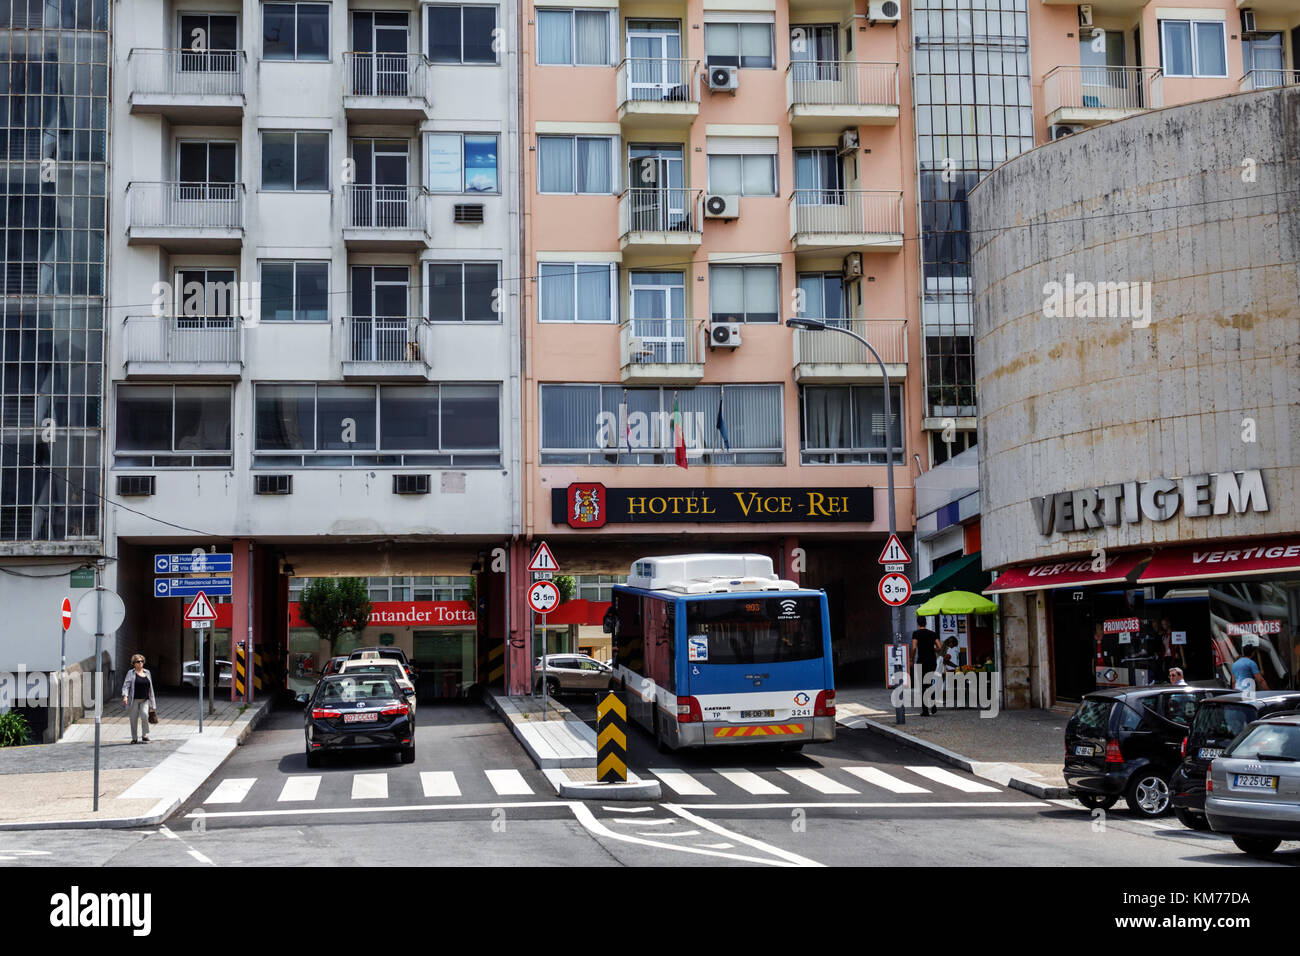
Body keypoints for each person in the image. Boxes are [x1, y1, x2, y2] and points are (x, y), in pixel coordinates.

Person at [121, 654, 157, 743]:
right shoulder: (131, 673)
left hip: (145, 699)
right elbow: (126, 685)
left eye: (142, 661)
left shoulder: (147, 672)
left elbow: (150, 687)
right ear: (134, 663)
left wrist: (152, 700)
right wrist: (125, 696)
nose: (140, 663)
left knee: (145, 715)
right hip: (134, 700)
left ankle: (144, 735)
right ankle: (134, 738)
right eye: (138, 661)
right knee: (133, 719)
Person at [911, 627, 941, 716]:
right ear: (925, 623)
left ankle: (925, 711)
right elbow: (939, 647)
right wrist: (932, 649)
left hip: (922, 661)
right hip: (932, 661)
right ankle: (933, 705)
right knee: (930, 683)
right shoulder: (932, 633)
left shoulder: (916, 633)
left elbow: (913, 648)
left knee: (922, 686)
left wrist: (911, 659)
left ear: (918, 623)